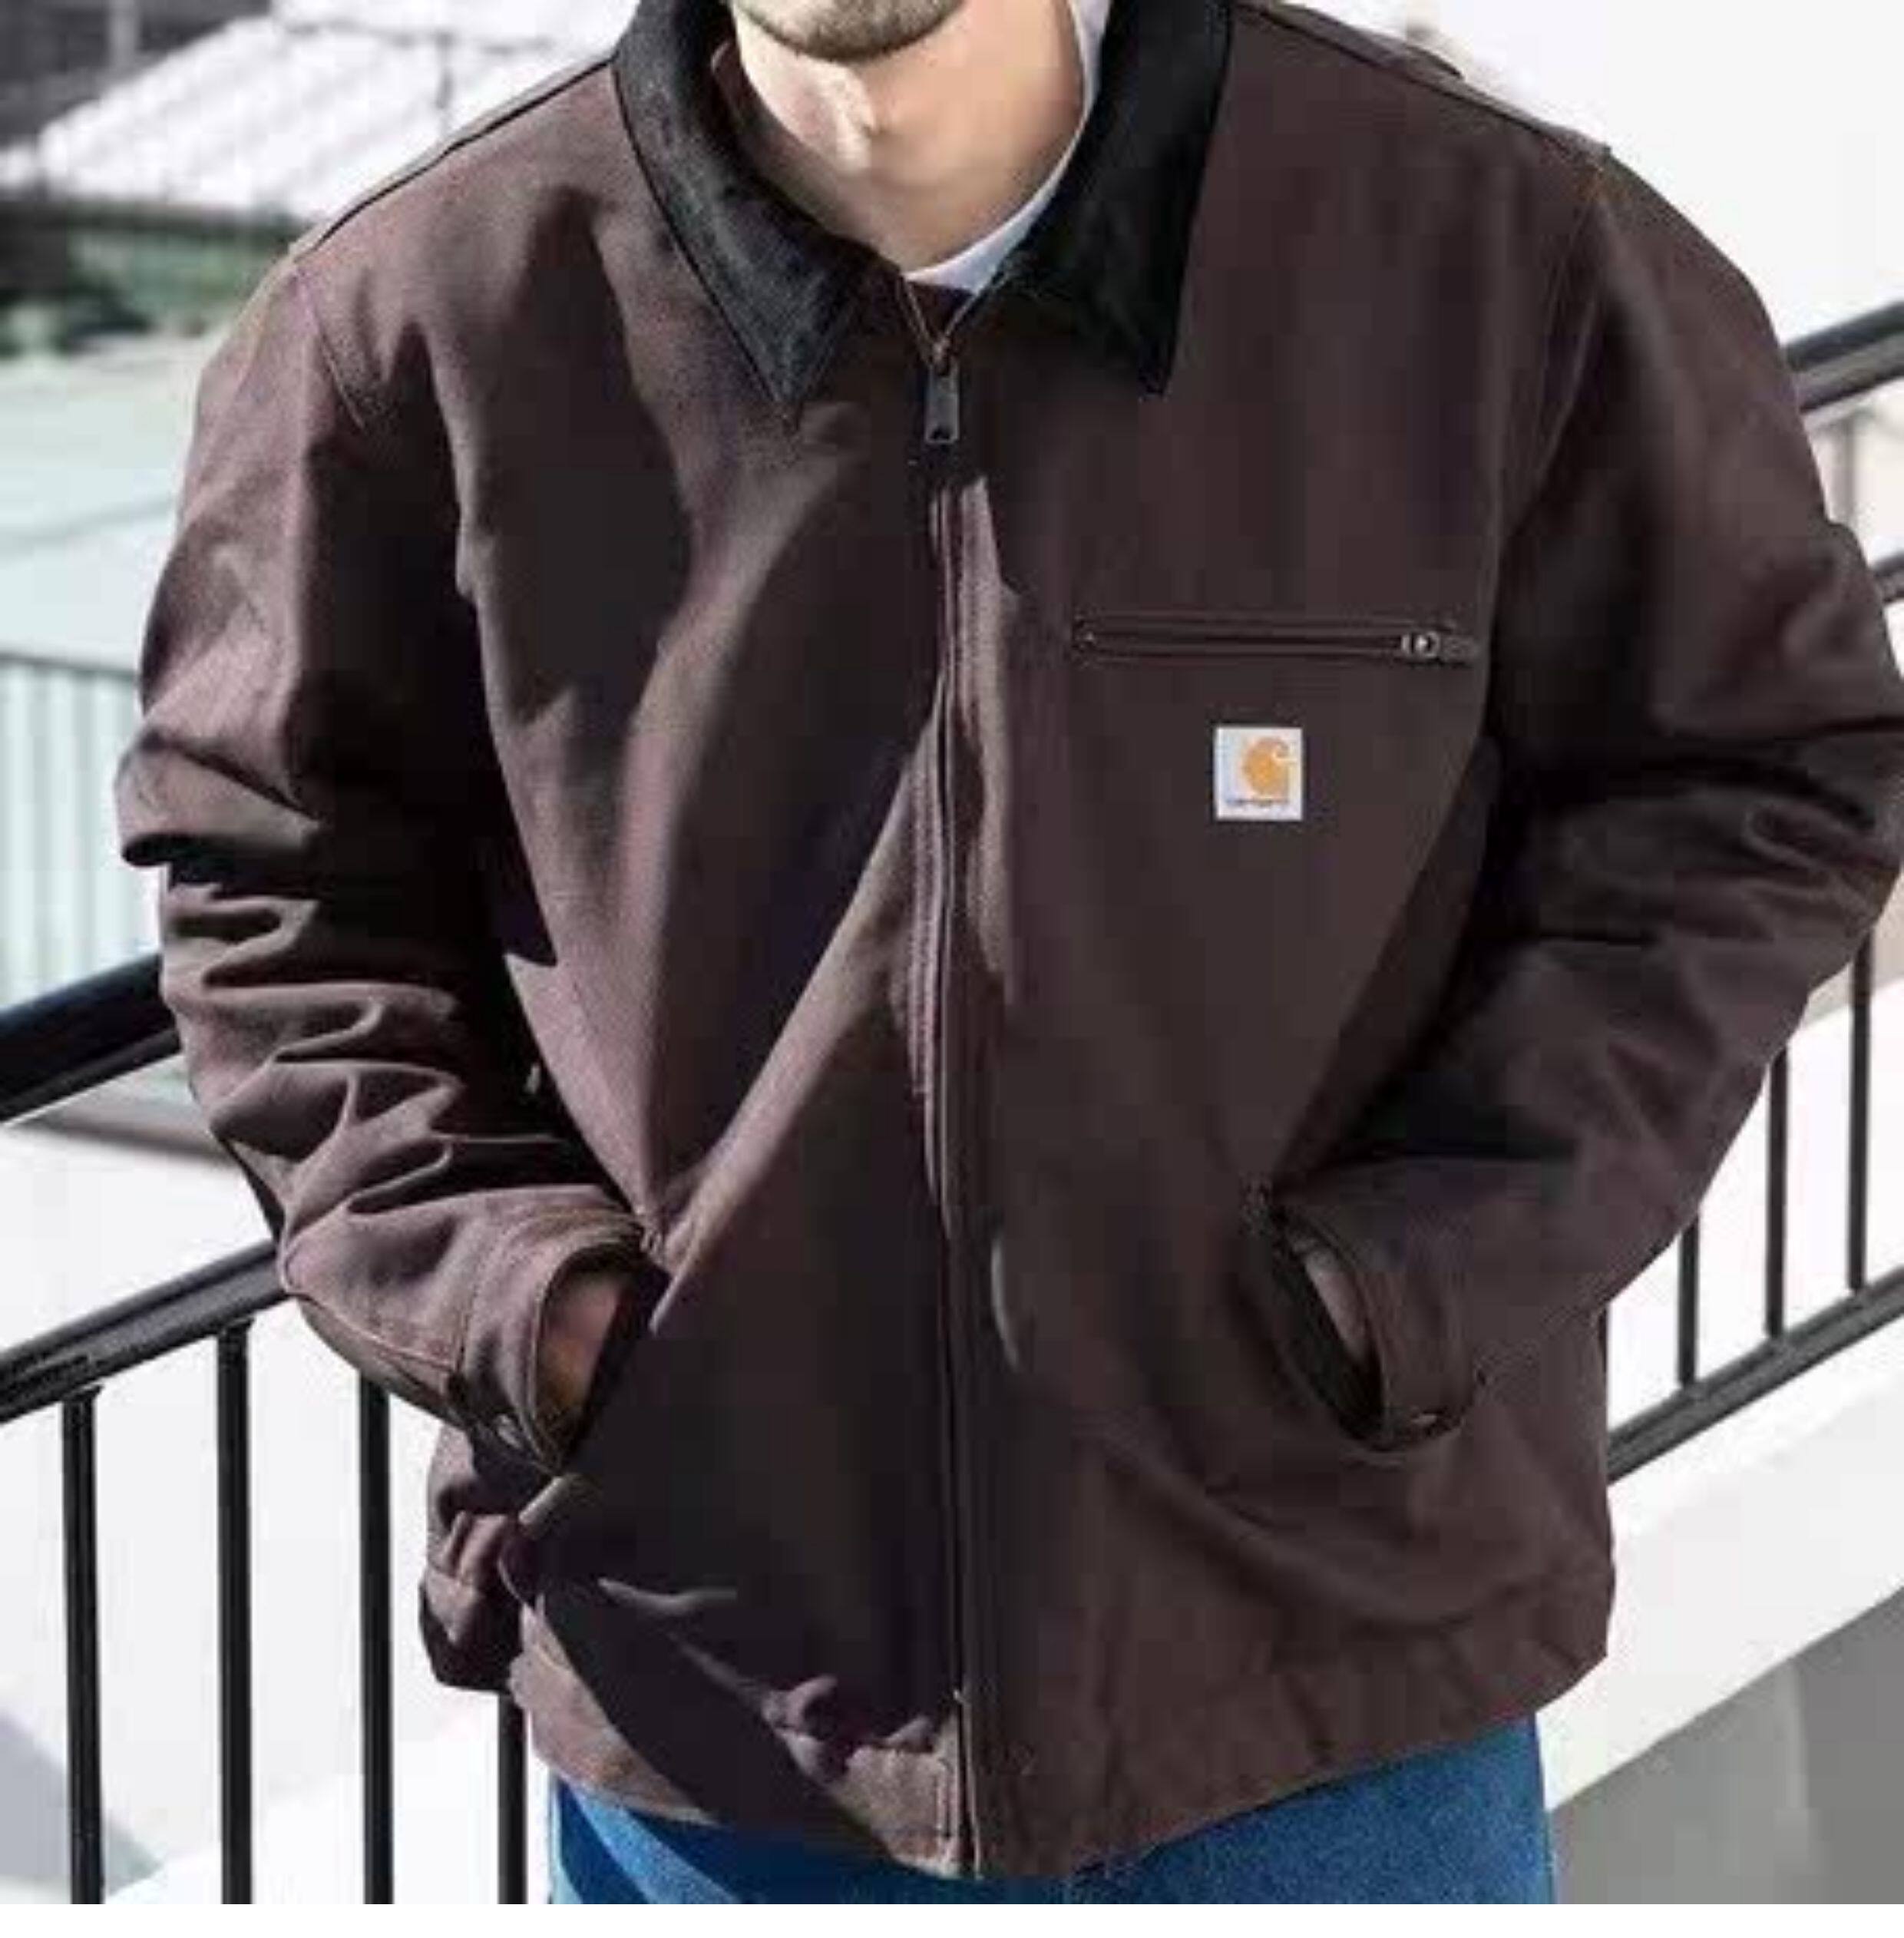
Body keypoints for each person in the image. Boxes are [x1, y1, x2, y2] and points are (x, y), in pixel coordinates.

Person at [112, 0, 1904, 1906]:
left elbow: (1756, 771)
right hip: (725, 1709)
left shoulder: (1485, 249)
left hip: (1332, 1695)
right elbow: (272, 883)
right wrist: (533, 1309)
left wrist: (1430, 1263)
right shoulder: (420, 323)